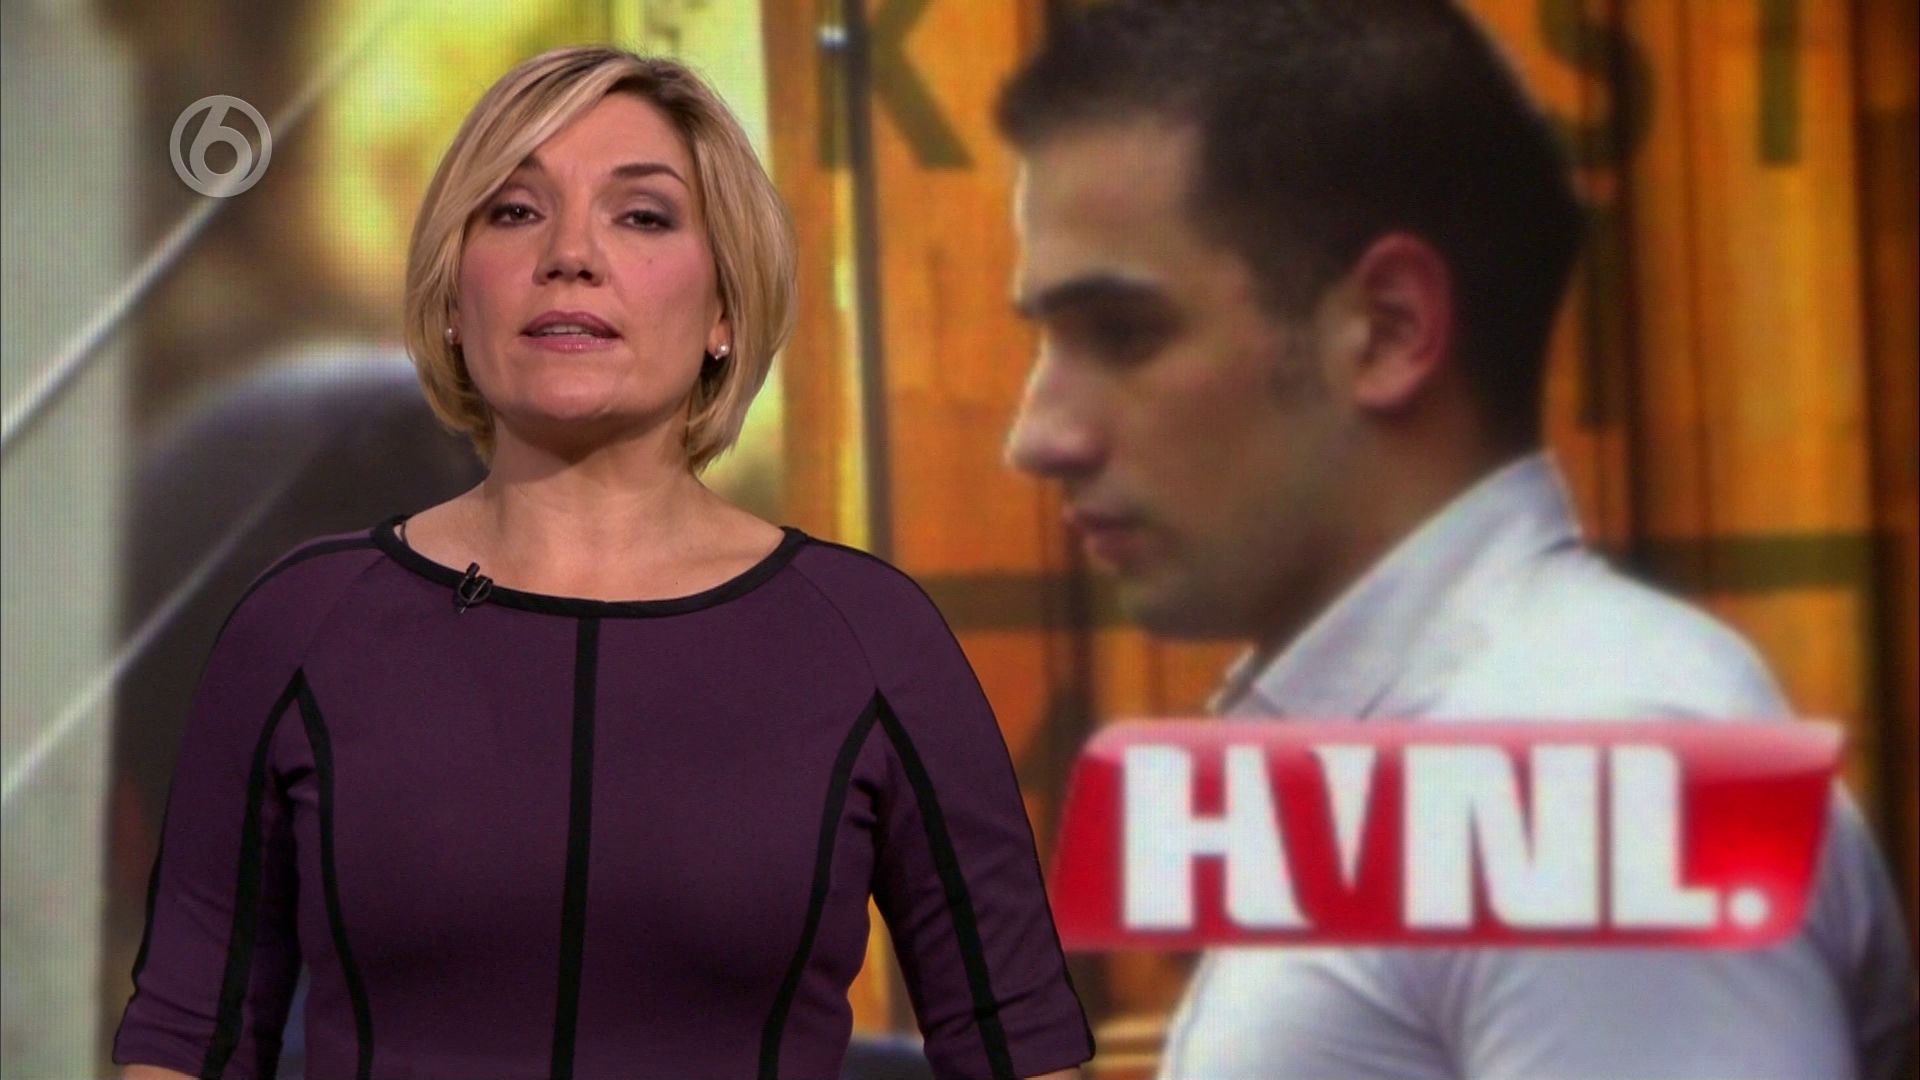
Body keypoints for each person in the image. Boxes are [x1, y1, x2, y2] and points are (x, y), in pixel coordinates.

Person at [115, 46, 1092, 1080]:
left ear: (726, 308)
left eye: (643, 215)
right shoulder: (298, 623)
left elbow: (1016, 1043)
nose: (570, 254)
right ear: (449, 297)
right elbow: (187, 1042)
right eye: (514, 211)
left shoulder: (870, 636)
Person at [994, 2, 1918, 1078]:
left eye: (1123, 334)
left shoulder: (1591, 763)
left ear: (1388, 329)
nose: (1039, 437)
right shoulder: (1462, 746)